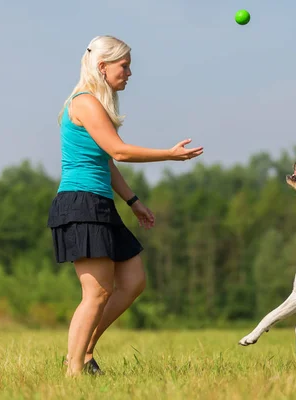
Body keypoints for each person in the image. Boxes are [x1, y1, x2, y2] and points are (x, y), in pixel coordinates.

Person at [47, 35, 204, 377]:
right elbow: (118, 151)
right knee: (97, 291)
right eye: (125, 65)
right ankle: (74, 369)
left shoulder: (97, 105)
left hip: (100, 203)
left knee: (132, 281)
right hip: (80, 203)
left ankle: (84, 350)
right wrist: (169, 154)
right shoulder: (85, 102)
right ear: (103, 67)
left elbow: (106, 160)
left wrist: (133, 202)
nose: (130, 72)